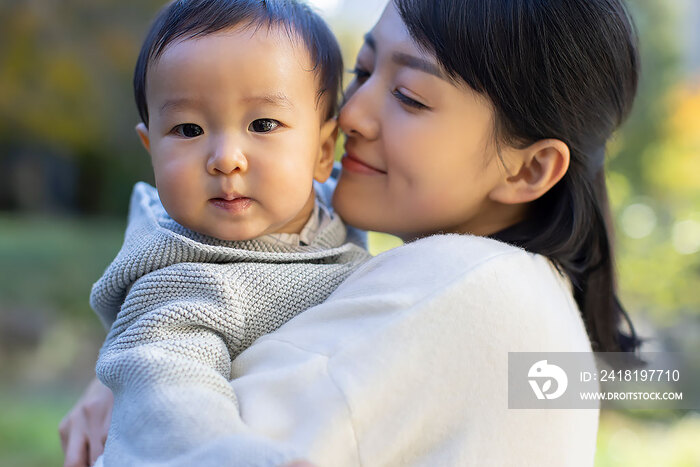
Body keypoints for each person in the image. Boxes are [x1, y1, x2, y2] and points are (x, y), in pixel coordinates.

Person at [60, 0, 641, 465]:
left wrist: (130, 385)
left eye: (409, 97)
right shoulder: (534, 290)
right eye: (362, 71)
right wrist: (125, 364)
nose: (352, 115)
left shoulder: (465, 287)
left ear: (529, 168)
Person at [74, 0, 371, 465]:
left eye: (263, 124)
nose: (226, 157)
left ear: (323, 149)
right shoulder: (183, 282)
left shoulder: (344, 205)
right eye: (188, 129)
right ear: (151, 151)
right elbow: (168, 391)